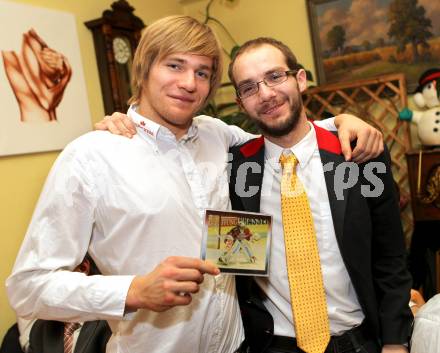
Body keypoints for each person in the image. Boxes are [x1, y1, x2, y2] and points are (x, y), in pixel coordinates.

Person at [7, 15, 382, 353]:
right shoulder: (91, 157)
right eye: (175, 66)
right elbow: (27, 288)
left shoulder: (216, 135)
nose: (189, 83)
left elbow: (285, 133)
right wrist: (133, 291)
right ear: (144, 69)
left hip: (242, 344)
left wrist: (342, 121)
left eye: (202, 73)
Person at [225, 38, 412, 353]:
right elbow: (237, 262)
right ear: (241, 101)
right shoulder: (236, 170)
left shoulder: (359, 157)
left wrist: (395, 341)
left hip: (357, 342)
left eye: (275, 77)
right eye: (249, 87)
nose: (266, 94)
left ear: (300, 80)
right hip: (273, 345)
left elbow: (390, 256)